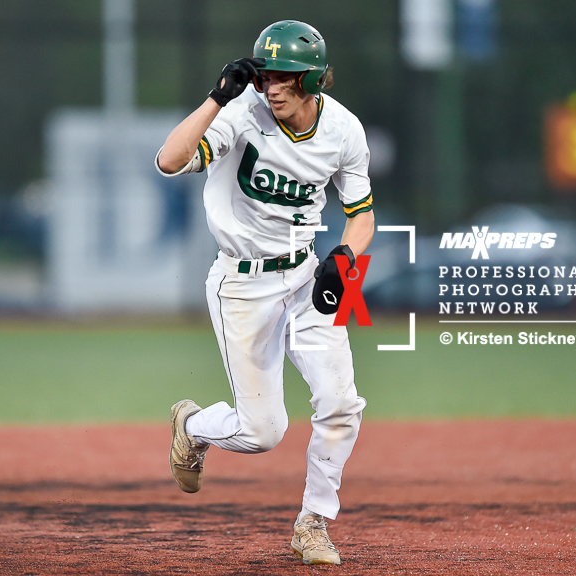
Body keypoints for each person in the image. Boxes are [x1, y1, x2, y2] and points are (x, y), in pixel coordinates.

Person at [157, 21, 373, 565]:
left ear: (315, 80)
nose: (273, 87)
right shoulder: (240, 113)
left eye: (286, 77)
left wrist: (346, 259)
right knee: (262, 433)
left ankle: (313, 523)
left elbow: (362, 215)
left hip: (308, 274)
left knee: (342, 403)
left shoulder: (345, 129)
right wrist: (217, 97)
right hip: (242, 283)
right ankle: (193, 425)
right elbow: (169, 160)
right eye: (266, 76)